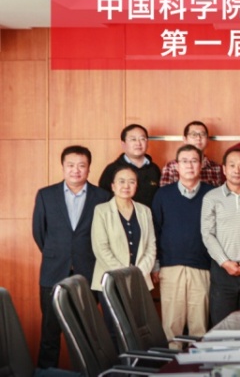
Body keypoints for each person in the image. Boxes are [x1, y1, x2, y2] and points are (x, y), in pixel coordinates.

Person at [32, 146, 110, 368]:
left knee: (87, 334)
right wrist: (60, 253)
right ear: (63, 167)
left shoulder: (102, 196)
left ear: (89, 168)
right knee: (49, 333)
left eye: (81, 165)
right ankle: (46, 373)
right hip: (53, 272)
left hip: (89, 272)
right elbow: (39, 232)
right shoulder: (46, 195)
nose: (76, 170)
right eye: (71, 165)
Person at [151, 145, 214, 347]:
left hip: (202, 267)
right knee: (172, 326)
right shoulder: (163, 194)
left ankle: (197, 363)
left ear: (201, 165)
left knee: (199, 326)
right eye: (184, 161)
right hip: (170, 266)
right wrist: (156, 265)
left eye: (194, 161)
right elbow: (154, 231)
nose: (189, 165)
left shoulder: (212, 194)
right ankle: (172, 363)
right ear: (177, 166)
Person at [91, 165, 157, 343]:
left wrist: (137, 274)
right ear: (113, 186)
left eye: (131, 181)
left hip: (139, 282)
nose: (126, 186)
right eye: (121, 181)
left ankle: (136, 362)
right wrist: (124, 275)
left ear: (136, 186)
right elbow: (101, 248)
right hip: (110, 281)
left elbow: (151, 246)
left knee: (139, 331)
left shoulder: (144, 211)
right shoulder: (101, 210)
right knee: (114, 331)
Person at [201, 149, 240, 327]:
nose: (237, 170)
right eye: (232, 165)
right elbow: (207, 234)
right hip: (222, 272)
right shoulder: (211, 197)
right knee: (222, 327)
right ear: (224, 169)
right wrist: (225, 262)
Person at [99, 124, 161, 206]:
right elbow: (103, 200)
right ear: (123, 144)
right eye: (133, 139)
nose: (138, 143)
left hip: (149, 214)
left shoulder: (154, 169)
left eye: (142, 139)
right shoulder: (112, 169)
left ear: (147, 143)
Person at [159, 121, 224, 187]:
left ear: (207, 139)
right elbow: (165, 192)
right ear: (185, 139)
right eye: (193, 134)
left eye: (202, 134)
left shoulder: (216, 168)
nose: (198, 138)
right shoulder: (171, 167)